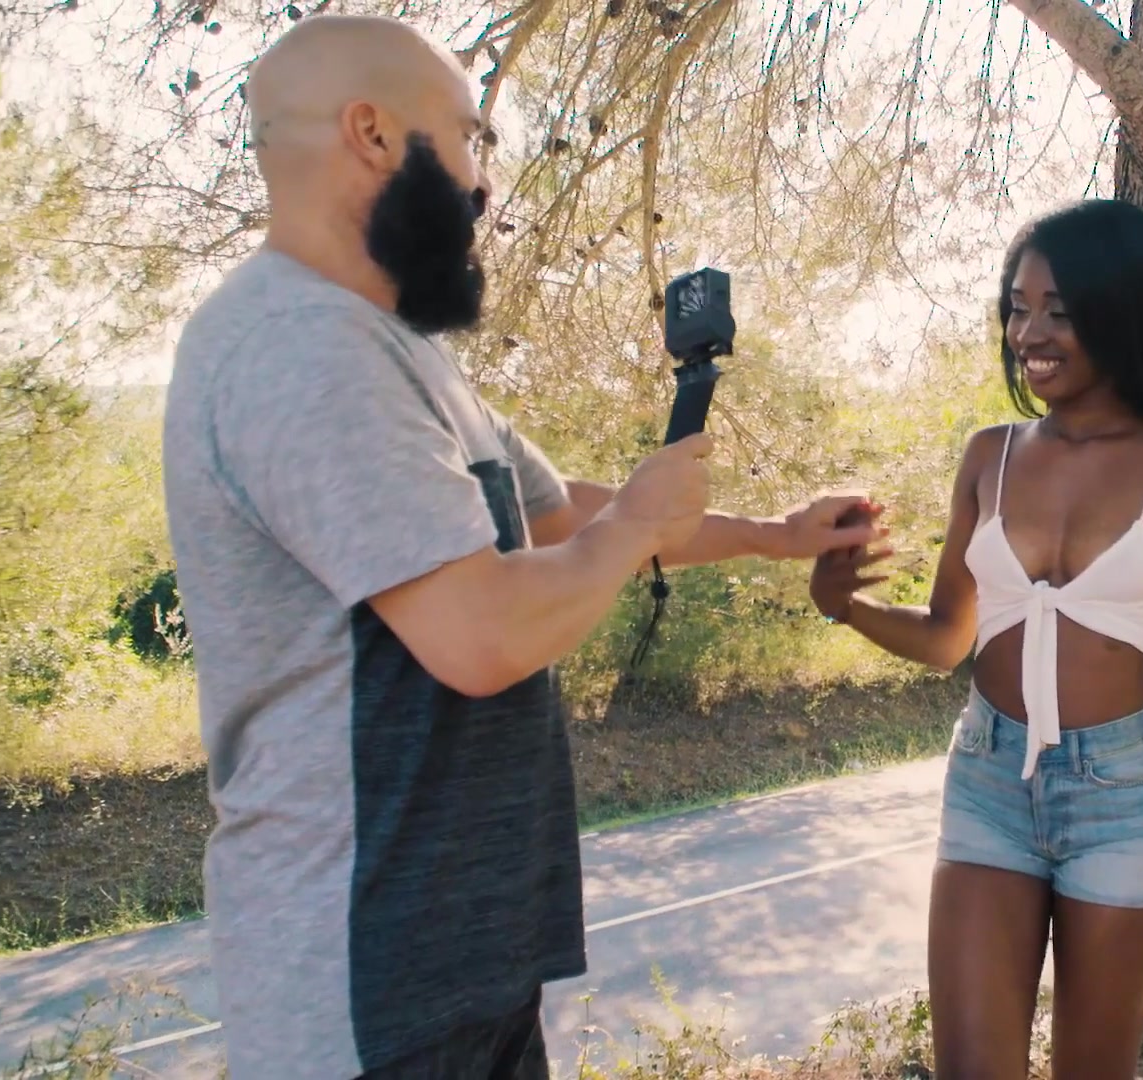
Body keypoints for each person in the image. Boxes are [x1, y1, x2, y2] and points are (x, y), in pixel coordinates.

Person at [159, 15, 884, 1080]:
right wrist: (636, 524)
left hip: (460, 956)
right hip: (364, 982)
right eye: (469, 137)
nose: (482, 180)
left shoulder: (388, 348)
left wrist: (772, 536)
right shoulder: (299, 347)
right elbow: (483, 634)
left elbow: (555, 521)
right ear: (373, 133)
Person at [809, 198, 1143, 1078]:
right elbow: (948, 637)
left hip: (1120, 798)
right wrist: (845, 606)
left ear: (1122, 311)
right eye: (1018, 307)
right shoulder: (989, 455)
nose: (1029, 333)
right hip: (989, 782)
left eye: (1059, 311)